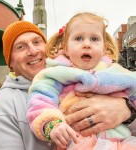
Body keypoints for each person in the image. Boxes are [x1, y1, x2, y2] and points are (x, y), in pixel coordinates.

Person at [0, 21, 134, 150]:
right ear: (10, 63)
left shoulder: (80, 74)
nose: (33, 51)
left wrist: (128, 111)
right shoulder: (2, 108)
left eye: (37, 42)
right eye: (20, 47)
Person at [27, 12, 136, 149]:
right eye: (78, 38)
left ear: (103, 49)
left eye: (94, 39)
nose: (86, 44)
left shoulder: (117, 74)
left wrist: (129, 108)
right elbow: (40, 100)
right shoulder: (56, 74)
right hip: (77, 142)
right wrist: (52, 124)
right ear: (66, 48)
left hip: (119, 142)